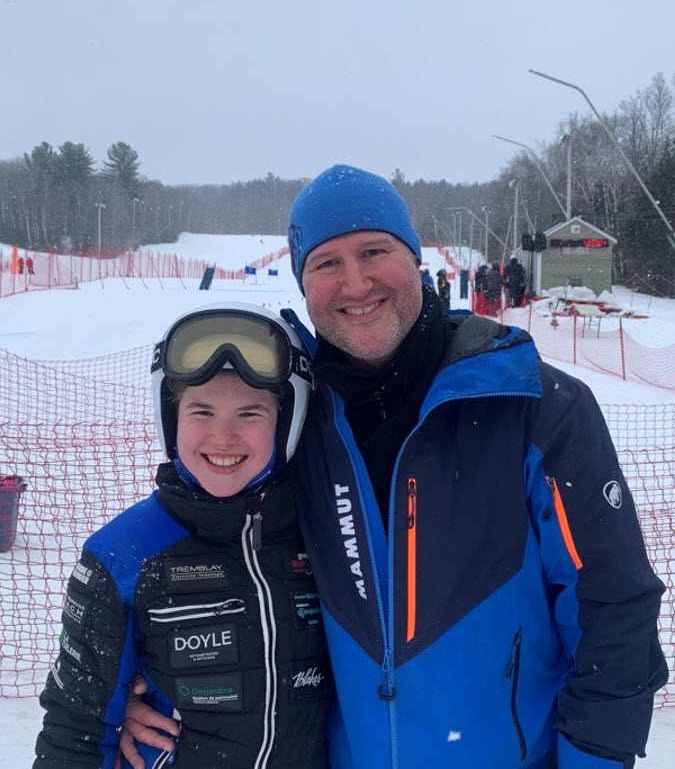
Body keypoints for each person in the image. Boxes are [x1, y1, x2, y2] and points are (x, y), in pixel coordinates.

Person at [123, 165, 667, 768]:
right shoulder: (293, 421)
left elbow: (612, 605)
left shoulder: (534, 407)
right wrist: (145, 685)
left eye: (374, 252)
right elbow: (223, 552)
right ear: (302, 283)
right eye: (326, 263)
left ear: (415, 257)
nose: (355, 283)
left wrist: (596, 758)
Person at [34, 303, 331, 768]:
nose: (223, 437)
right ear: (172, 418)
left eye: (249, 413)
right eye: (202, 411)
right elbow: (76, 727)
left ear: (287, 420)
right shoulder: (124, 554)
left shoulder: (328, 534)